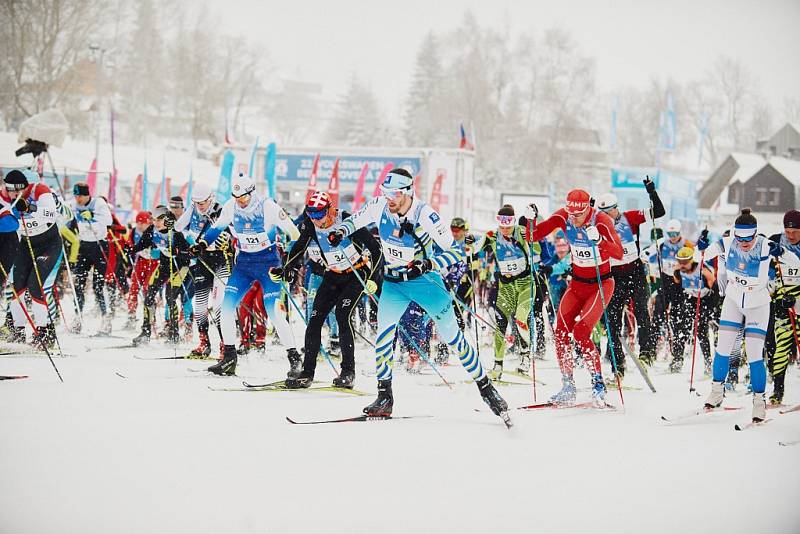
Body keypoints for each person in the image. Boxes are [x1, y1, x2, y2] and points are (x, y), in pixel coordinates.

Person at [328, 168, 510, 422]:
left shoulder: (426, 215)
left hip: (425, 282)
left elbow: (456, 251)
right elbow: (354, 220)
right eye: (386, 192)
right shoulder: (380, 205)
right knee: (384, 336)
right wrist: (341, 232)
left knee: (453, 338)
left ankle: (488, 390)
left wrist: (429, 265)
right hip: (393, 283)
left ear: (408, 192)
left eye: (394, 194)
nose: (389, 198)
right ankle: (384, 396)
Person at [191, 173, 301, 376]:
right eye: (236, 198)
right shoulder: (231, 206)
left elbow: (295, 234)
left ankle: (295, 360)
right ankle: (229, 358)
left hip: (269, 265)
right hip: (244, 265)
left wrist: (290, 264)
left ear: (252, 193)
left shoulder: (268, 207)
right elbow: (216, 228)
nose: (239, 202)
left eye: (243, 198)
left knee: (274, 312)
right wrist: (202, 244)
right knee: (225, 307)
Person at [527, 189, 623, 407]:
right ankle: (568, 385)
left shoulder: (602, 221)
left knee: (581, 332)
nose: (574, 219)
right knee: (560, 330)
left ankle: (598, 384)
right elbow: (532, 236)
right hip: (577, 283)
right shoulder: (564, 216)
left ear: (588, 210)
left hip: (601, 283)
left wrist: (599, 240)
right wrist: (530, 221)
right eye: (571, 214)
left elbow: (618, 253)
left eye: (578, 215)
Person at [278, 190, 382, 389]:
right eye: (311, 213)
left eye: (319, 214)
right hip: (333, 274)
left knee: (343, 315)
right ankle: (307, 373)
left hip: (356, 274)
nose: (315, 219)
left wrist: (373, 278)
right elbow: (299, 248)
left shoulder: (346, 220)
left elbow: (375, 249)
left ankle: (348, 372)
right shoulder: (310, 224)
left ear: (329, 209)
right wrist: (288, 268)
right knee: (315, 319)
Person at [698, 208, 782, 423]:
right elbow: (704, 254)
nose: (744, 242)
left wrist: (782, 253)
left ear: (756, 234)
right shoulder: (727, 243)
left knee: (754, 355)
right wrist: (702, 246)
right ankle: (717, 392)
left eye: (749, 238)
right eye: (740, 237)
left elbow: (793, 261)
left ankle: (759, 403)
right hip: (734, 301)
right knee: (723, 348)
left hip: (758, 305)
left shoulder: (765, 245)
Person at [595, 180, 663, 371]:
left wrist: (652, 192)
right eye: (603, 213)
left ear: (616, 208)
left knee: (641, 311)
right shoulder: (598, 226)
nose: (608, 216)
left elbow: (658, 212)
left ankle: (647, 353)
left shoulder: (629, 218)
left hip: (635, 271)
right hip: (614, 275)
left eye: (610, 211)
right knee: (613, 319)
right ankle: (618, 362)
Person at [477, 205, 541, 378]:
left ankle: (525, 357)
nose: (505, 229)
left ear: (513, 222)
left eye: (508, 225)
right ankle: (497, 366)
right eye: (502, 225)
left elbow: (538, 250)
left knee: (521, 319)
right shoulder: (491, 236)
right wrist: (469, 242)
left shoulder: (521, 231)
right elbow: (474, 249)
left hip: (526, 284)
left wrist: (532, 224)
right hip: (506, 287)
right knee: (500, 325)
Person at [2, 169, 63, 349]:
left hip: (49, 244)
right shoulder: (4, 197)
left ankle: (45, 332)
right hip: (26, 243)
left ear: (23, 187)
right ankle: (17, 330)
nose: (12, 194)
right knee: (17, 286)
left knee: (36, 285)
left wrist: (30, 207)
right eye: (9, 190)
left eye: (15, 190)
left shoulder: (40, 190)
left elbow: (52, 214)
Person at [174, 183, 232, 357]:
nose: (200, 206)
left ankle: (225, 345)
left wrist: (225, 239)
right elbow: (178, 227)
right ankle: (204, 343)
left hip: (220, 261)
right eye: (196, 202)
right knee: (199, 306)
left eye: (203, 203)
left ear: (211, 199)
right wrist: (188, 238)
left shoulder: (220, 211)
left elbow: (231, 233)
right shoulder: (193, 209)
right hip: (200, 260)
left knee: (218, 305)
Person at [130, 205, 192, 345]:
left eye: (159, 220)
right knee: (149, 294)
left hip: (180, 267)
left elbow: (188, 253)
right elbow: (142, 244)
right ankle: (145, 332)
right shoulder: (152, 230)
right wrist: (131, 249)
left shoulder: (176, 231)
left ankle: (174, 332)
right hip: (164, 265)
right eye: (154, 220)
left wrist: (177, 251)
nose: (156, 223)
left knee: (170, 296)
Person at [643, 218, 694, 369]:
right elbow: (644, 254)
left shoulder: (686, 244)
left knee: (678, 321)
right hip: (665, 284)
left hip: (680, 285)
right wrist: (651, 264)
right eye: (670, 233)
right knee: (657, 318)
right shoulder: (661, 243)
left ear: (680, 233)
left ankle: (677, 357)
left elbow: (696, 259)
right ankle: (651, 353)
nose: (673, 236)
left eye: (675, 233)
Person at [764, 209, 800, 404]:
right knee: (781, 347)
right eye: (787, 229)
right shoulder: (776, 240)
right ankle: (778, 390)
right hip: (782, 300)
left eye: (795, 231)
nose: (790, 234)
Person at [70, 181, 113, 333]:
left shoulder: (99, 203)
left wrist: (93, 215)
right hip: (84, 246)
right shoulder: (73, 205)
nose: (78, 199)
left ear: (87, 194)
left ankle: (106, 318)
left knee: (98, 285)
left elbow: (109, 221)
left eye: (80, 196)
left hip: (99, 245)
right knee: (79, 284)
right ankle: (78, 317)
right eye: (76, 196)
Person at [671, 246, 716, 374]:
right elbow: (677, 282)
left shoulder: (702, 269)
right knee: (681, 330)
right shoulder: (678, 269)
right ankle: (677, 360)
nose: (683, 264)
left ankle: (708, 362)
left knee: (701, 332)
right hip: (690, 299)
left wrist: (711, 306)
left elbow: (714, 284)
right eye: (680, 261)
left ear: (692, 259)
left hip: (704, 300)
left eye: (685, 261)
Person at [125, 211, 159, 330]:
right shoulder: (134, 231)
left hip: (154, 262)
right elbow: (130, 244)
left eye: (142, 223)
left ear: (148, 222)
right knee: (133, 288)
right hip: (141, 261)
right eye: (138, 222)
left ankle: (151, 318)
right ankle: (131, 315)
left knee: (147, 289)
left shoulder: (153, 231)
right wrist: (128, 250)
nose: (139, 225)